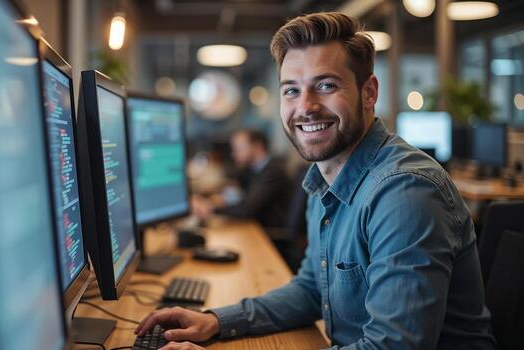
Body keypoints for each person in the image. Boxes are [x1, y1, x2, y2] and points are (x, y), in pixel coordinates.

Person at [136, 12, 495, 349]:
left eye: (325, 85)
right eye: (291, 89)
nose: (305, 106)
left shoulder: (405, 192)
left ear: (368, 92)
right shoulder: (324, 177)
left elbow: (392, 345)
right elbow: (312, 289)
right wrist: (215, 320)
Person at [192, 129, 291, 237]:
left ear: (257, 147)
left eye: (238, 149)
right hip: (257, 228)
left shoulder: (273, 172)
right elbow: (235, 185)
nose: (233, 154)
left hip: (270, 235)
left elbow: (246, 209)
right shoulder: (254, 169)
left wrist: (210, 208)